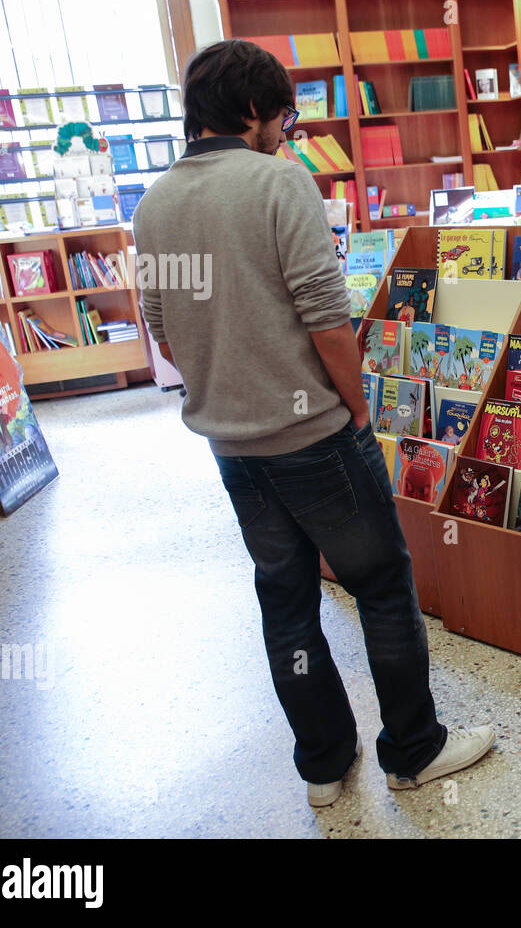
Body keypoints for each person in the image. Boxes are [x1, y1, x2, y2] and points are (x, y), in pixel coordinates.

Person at [133, 40, 493, 808]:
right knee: (382, 586)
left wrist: (231, 383)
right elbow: (328, 322)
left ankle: (325, 766)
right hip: (315, 438)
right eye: (284, 118)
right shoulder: (277, 184)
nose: (286, 134)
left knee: (286, 599)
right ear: (255, 111)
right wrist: (356, 408)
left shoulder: (155, 204)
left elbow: (163, 331)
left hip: (232, 445)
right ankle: (414, 750)